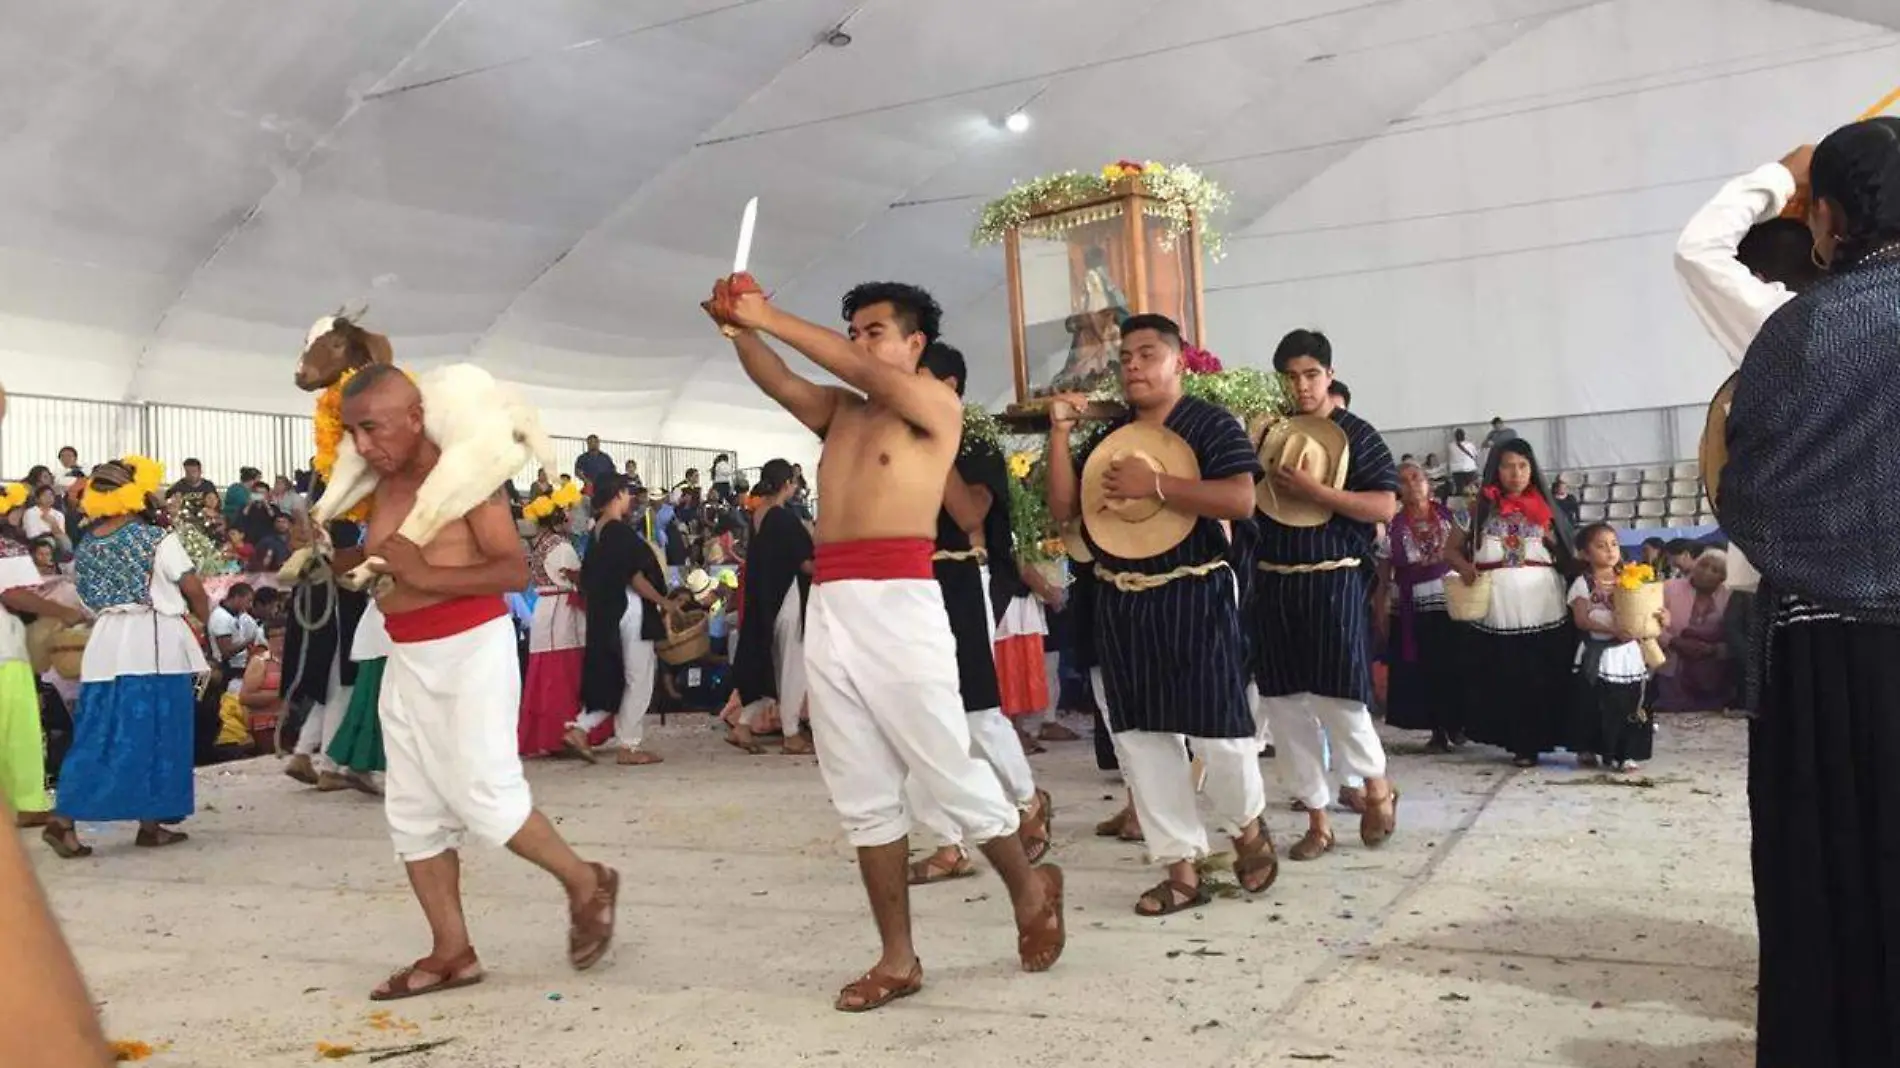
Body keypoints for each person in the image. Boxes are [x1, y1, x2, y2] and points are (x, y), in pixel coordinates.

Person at [706, 273, 1062, 1011]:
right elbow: (778, 378)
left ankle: (1029, 891)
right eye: (856, 329)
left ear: (914, 344)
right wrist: (740, 330)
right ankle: (897, 958)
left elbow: (850, 366)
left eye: (875, 331)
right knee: (862, 792)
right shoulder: (842, 412)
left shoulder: (936, 404)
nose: (862, 343)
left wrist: (769, 313)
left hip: (902, 602)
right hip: (833, 604)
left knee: (946, 766)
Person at [338, 363, 618, 1000]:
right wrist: (350, 563)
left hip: (470, 650)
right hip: (406, 657)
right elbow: (393, 568)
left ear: (415, 417)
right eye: (353, 432)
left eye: (373, 429)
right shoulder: (378, 486)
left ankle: (586, 880)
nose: (363, 446)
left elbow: (509, 570)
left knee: (484, 794)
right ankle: (452, 951)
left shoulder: (469, 477)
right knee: (411, 811)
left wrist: (417, 574)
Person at [1721, 117, 1900, 1068]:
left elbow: (1747, 496)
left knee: (1828, 888)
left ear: (1826, 216)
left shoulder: (1800, 330)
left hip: (1827, 662)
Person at [1046, 312, 1277, 915]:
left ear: (1178, 361)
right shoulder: (1112, 438)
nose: (1133, 366)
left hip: (1194, 592)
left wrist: (1159, 487)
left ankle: (1247, 828)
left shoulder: (1210, 424)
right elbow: (1067, 511)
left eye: (1147, 354)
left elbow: (1240, 498)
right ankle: (1180, 868)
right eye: (1125, 358)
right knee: (1143, 740)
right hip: (1121, 599)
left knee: (1220, 731)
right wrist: (1059, 435)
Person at [1675, 144, 1825, 719]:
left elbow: (1697, 250)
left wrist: (1779, 179)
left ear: (1759, 277)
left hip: (1798, 578)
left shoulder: (1782, 326)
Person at [904, 342, 1052, 883]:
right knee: (917, 714)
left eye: (918, 378)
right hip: (908, 581)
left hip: (961, 576)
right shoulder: (895, 433)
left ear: (949, 387)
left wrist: (935, 441)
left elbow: (969, 513)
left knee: (975, 711)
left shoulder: (976, 440)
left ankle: (1027, 800)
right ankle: (948, 843)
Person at [1253, 329, 1400, 862]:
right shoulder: (1267, 434)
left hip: (1333, 576)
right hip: (1272, 580)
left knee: (1340, 697)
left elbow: (1385, 506)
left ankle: (1376, 785)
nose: (1302, 386)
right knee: (1285, 704)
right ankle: (1317, 818)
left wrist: (1318, 495)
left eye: (1311, 374)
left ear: (1329, 376)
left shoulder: (1356, 434)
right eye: (1290, 377)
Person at [42, 458, 210, 858]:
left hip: (104, 645)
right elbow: (194, 588)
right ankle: (68, 817)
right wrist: (204, 623)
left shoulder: (88, 544)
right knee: (155, 732)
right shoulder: (156, 539)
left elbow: (85, 600)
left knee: (99, 731)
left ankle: (145, 825)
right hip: (152, 643)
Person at [1444, 439, 1574, 767]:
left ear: (1532, 469)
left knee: (1541, 672)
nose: (1515, 473)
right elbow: (1450, 549)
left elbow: (1567, 552)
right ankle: (1518, 742)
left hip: (1542, 602)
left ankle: (1545, 737)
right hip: (1499, 604)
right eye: (1507, 466)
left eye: (1522, 466)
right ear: (1495, 470)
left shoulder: (1548, 509)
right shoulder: (1477, 510)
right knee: (1508, 674)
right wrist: (1464, 568)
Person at [565, 474, 673, 767]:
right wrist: (664, 602)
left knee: (614, 674)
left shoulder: (596, 532)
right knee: (639, 677)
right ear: (618, 495)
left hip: (606, 611)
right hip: (630, 609)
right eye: (628, 494)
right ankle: (629, 745)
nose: (630, 500)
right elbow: (636, 576)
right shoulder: (619, 532)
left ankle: (581, 727)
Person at [0, 488, 88, 826]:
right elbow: (14, 594)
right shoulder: (6, 544)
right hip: (5, 652)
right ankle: (26, 805)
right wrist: (61, 612)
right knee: (17, 729)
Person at [727, 459, 815, 756]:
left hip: (763, 602)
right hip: (787, 601)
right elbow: (805, 563)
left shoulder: (757, 516)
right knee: (792, 668)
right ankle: (791, 733)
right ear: (787, 484)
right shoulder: (785, 519)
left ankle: (743, 724)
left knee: (768, 667)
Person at [1567, 524, 1664, 773]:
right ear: (1586, 554)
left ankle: (1626, 753)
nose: (1609, 551)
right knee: (1595, 703)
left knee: (1629, 703)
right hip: (1598, 652)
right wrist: (1613, 631)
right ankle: (1589, 747)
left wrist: (1662, 618)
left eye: (1613, 544)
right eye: (1600, 546)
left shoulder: (1635, 577)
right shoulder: (1583, 583)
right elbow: (1581, 619)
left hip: (1628, 654)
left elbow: (1650, 608)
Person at [1378, 462, 1460, 751]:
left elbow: (1465, 553)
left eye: (1416, 478)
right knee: (1424, 666)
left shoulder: (1449, 517)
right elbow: (1384, 572)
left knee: (1453, 663)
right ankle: (1437, 729)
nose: (1411, 484)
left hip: (1448, 598)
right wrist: (1381, 609)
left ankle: (1457, 723)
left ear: (1428, 483)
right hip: (1410, 603)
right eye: (1403, 480)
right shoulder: (1391, 526)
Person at [519, 490, 588, 757]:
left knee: (546, 674)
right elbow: (576, 578)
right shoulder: (562, 547)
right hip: (561, 611)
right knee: (561, 674)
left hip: (546, 608)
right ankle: (562, 733)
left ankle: (549, 734)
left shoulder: (540, 544)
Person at [1653, 549, 1731, 713]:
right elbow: (1650, 626)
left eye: (1715, 570)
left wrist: (1711, 650)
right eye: (1703, 565)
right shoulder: (1669, 588)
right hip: (1672, 669)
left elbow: (1735, 636)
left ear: (1723, 578)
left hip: (1713, 675)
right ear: (1695, 565)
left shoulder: (1730, 597)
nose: (1706, 572)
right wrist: (1674, 642)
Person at [1447, 428, 1479, 494]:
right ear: (1464, 436)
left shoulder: (1451, 446)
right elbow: (1475, 455)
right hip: (1470, 469)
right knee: (1471, 489)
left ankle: (1459, 503)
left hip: (1456, 470)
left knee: (1460, 489)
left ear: (1455, 437)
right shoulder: (1470, 445)